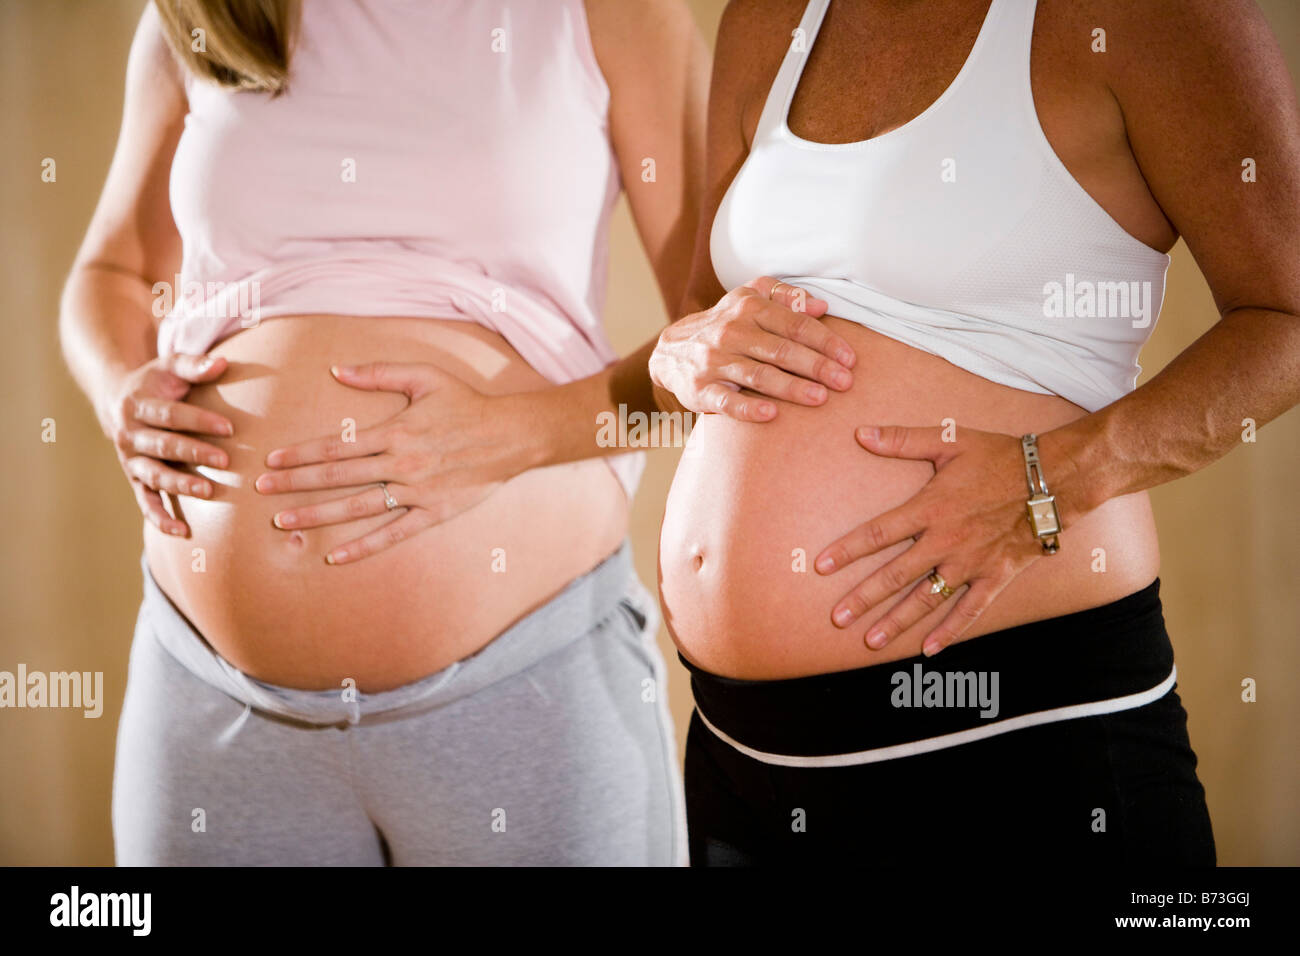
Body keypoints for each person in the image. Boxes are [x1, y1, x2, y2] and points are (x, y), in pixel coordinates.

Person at [60, 0, 850, 866]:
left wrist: (514, 434)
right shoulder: (201, 15)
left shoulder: (608, 13)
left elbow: (720, 347)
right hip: (209, 695)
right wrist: (118, 389)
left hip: (523, 690)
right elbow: (112, 267)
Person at [656, 0, 1300, 865]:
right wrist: (676, 351)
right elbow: (706, 311)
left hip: (1021, 730)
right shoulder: (768, 19)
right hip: (740, 748)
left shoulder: (1145, 15)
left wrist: (1056, 476)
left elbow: (1287, 314)